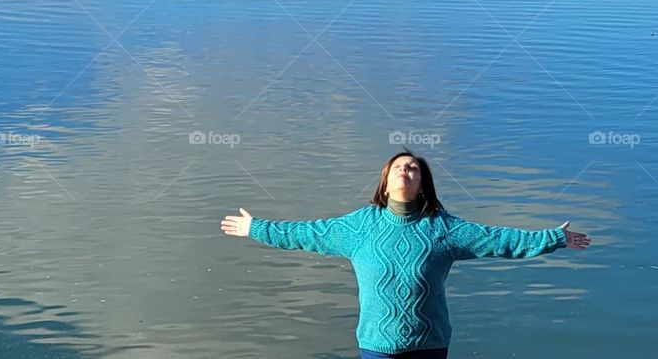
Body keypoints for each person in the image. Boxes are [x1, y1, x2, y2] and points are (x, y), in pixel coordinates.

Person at [221, 149, 592, 358]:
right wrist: (257, 227)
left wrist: (552, 238)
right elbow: (306, 233)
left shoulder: (443, 228)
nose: (406, 170)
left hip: (429, 345)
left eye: (413, 168)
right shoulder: (358, 227)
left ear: (422, 184)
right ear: (385, 182)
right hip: (377, 345)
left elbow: (497, 240)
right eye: (398, 167)